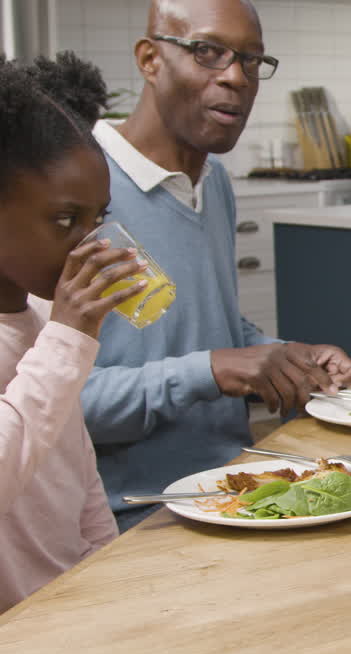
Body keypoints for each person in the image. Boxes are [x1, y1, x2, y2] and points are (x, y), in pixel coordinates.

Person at [84, 0, 351, 531]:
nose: (236, 77)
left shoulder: (213, 182)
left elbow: (206, 327)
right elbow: (54, 407)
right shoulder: (77, 193)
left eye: (251, 60)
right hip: (129, 519)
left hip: (230, 491)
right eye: (207, 51)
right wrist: (213, 369)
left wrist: (285, 357)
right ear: (149, 59)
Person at [0, 53, 151, 609]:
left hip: (74, 609)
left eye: (97, 219)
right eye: (65, 221)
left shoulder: (43, 323)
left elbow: (81, 482)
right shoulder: (57, 337)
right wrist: (67, 339)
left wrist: (108, 579)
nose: (89, 244)